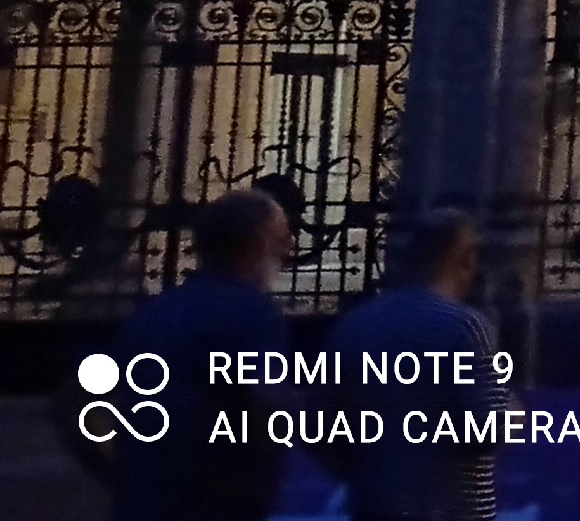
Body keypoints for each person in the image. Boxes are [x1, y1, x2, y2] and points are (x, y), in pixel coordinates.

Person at [62, 189, 295, 521]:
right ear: (257, 245)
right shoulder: (252, 314)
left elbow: (77, 402)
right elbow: (267, 403)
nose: (285, 254)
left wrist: (121, 471)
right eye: (282, 242)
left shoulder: (154, 313)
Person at [319, 212, 503, 521]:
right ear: (467, 258)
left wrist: (362, 474)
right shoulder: (465, 327)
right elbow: (486, 428)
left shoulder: (354, 325)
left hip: (373, 507)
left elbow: (319, 427)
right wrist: (513, 410)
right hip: (450, 509)